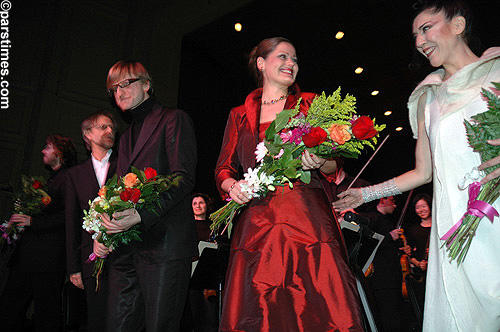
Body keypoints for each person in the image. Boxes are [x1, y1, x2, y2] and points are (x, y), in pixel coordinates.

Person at [333, 1, 500, 330]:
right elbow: (422, 172)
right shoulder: (428, 98)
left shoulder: (497, 70)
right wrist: (365, 195)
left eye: (426, 28)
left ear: (458, 24)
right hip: (456, 222)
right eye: (415, 35)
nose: (419, 42)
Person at [215, 37, 364, 332]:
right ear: (261, 63)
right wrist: (232, 186)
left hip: (307, 217)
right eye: (283, 57)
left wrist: (319, 161)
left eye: (295, 59)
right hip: (257, 221)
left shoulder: (311, 104)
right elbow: (223, 168)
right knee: (259, 304)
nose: (291, 64)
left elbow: (334, 166)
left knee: (318, 303)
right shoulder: (239, 114)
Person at [100, 60, 198, 331]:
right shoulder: (125, 136)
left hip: (164, 246)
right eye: (113, 88)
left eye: (125, 83)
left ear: (146, 85)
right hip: (126, 249)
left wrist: (140, 216)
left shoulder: (173, 118)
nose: (119, 91)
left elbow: (183, 177)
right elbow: (117, 192)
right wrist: (104, 233)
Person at [0, 134, 77, 332]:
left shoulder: (68, 177)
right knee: (12, 306)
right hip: (33, 257)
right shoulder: (53, 179)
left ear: (59, 153)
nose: (43, 150)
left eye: (48, 147)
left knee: (46, 312)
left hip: (46, 259)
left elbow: (69, 216)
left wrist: (33, 221)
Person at [65, 111, 118, 332]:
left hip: (124, 256)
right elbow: (71, 223)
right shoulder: (75, 174)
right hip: (90, 260)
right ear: (87, 133)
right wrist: (74, 268)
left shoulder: (125, 163)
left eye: (112, 128)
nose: (110, 131)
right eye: (103, 127)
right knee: (96, 320)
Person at [360, 196, 404, 332]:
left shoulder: (386, 221)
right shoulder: (372, 218)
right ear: (382, 200)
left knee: (394, 311)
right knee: (388, 314)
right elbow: (368, 242)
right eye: (392, 201)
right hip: (382, 279)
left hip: (392, 277)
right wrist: (390, 236)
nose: (395, 205)